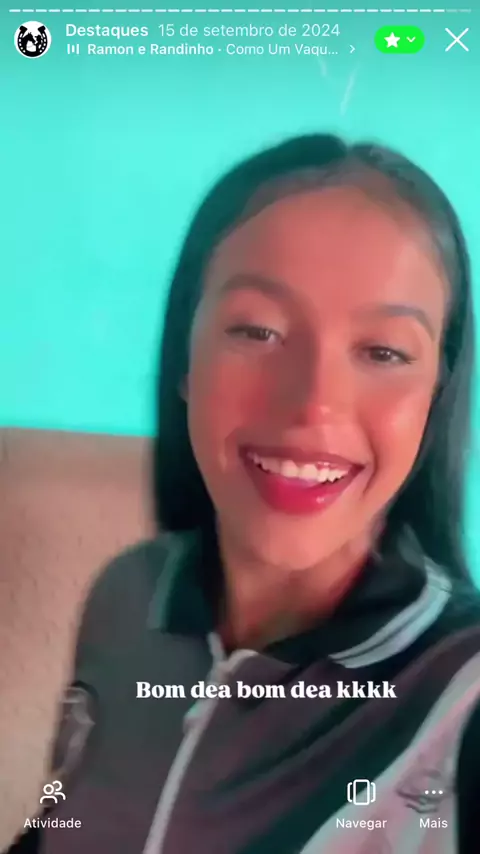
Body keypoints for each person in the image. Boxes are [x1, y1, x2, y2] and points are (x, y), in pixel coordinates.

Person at [23, 134, 480, 853]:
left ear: (435, 397)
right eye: (259, 331)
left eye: (384, 351)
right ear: (185, 359)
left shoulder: (463, 696)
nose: (314, 404)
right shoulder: (128, 597)